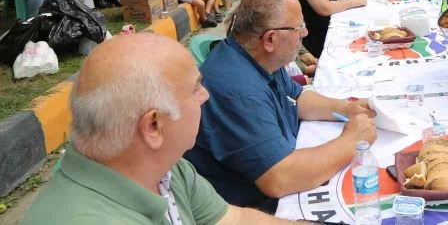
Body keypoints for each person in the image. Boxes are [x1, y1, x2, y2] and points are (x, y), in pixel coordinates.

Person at [21, 33, 301, 224]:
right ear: (153, 126)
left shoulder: (164, 169)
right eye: (195, 88)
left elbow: (235, 219)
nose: (205, 96)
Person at [185, 0, 376, 213]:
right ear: (270, 40)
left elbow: (297, 98)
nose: (304, 34)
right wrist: (352, 142)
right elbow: (280, 177)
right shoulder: (238, 89)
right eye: (298, 28)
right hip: (253, 208)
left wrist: (347, 109)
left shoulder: (258, 58)